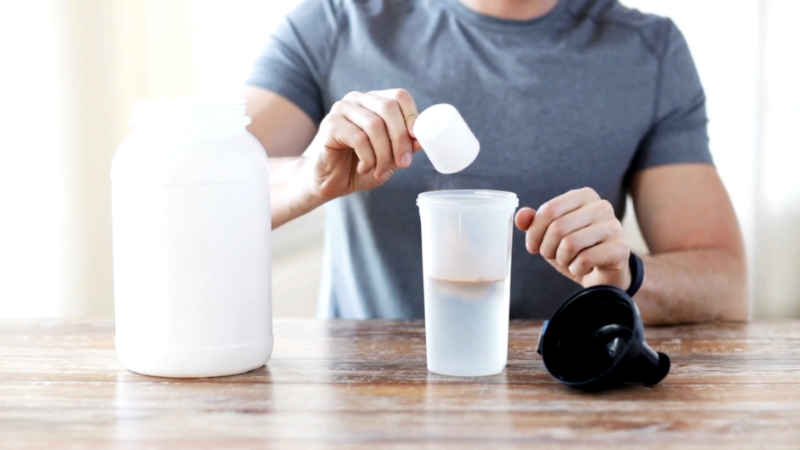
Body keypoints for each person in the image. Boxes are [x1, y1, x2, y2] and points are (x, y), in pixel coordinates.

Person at [242, 0, 748, 324]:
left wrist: (625, 276)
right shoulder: (335, 23)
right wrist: (309, 176)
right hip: (366, 400)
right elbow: (210, 187)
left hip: (563, 395)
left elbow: (726, 286)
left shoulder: (648, 52)